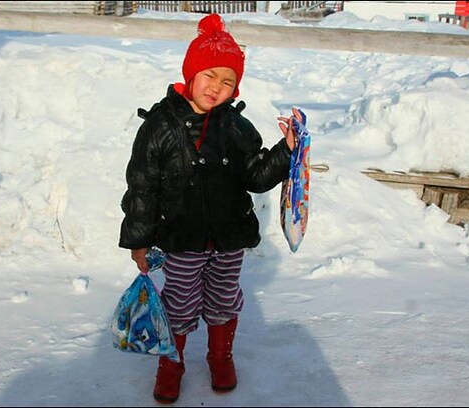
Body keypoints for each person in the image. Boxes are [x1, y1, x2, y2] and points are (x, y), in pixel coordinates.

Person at [119, 13, 300, 404]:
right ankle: (171, 365)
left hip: (229, 237)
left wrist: (285, 151)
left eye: (228, 81)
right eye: (210, 75)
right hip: (181, 239)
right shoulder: (159, 127)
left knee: (223, 299)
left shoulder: (235, 126)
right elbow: (142, 188)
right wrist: (138, 240)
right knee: (179, 305)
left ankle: (220, 356)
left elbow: (256, 175)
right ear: (191, 74)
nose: (217, 87)